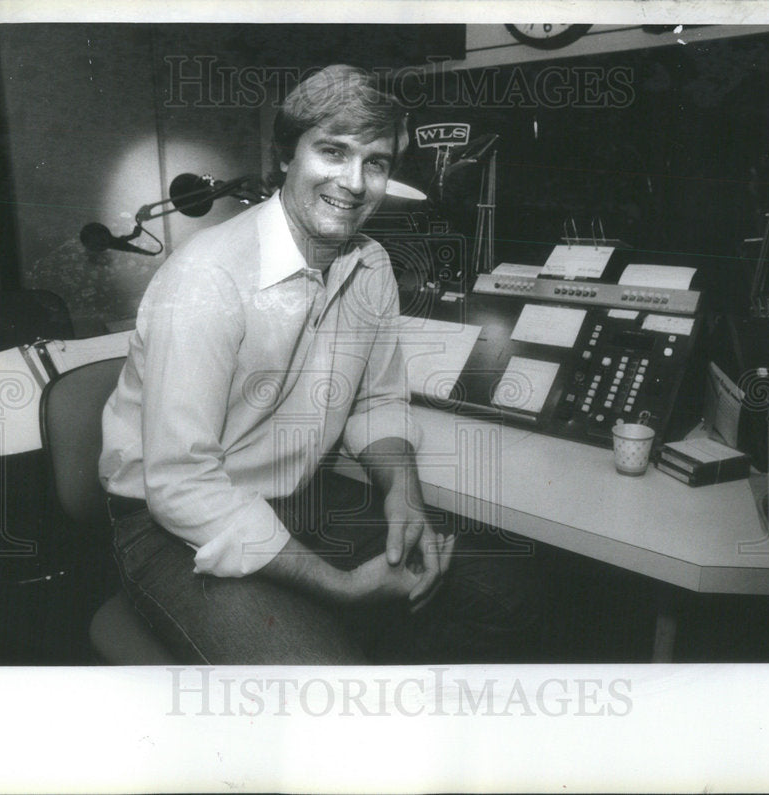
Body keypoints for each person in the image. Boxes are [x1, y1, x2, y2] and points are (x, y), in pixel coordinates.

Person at [99, 64, 545, 664]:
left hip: (298, 500)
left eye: (377, 162)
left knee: (506, 591)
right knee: (325, 685)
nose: (355, 182)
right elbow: (181, 485)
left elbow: (375, 398)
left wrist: (403, 493)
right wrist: (340, 587)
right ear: (286, 156)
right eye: (332, 151)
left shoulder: (370, 264)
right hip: (171, 529)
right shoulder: (206, 279)